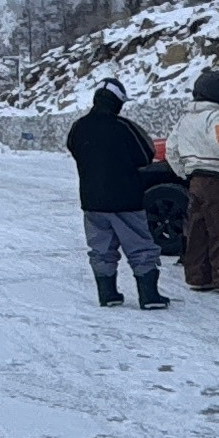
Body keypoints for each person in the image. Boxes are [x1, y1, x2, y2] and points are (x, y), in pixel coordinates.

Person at [63, 79, 167, 308]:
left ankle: (108, 293)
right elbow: (146, 153)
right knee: (140, 246)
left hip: (92, 200)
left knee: (100, 248)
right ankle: (149, 296)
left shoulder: (79, 126)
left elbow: (73, 148)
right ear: (117, 102)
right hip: (126, 199)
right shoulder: (124, 127)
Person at [165, 67, 219, 294]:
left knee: (198, 230)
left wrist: (184, 173)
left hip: (195, 180)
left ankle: (197, 277)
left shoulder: (184, 119)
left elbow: (170, 150)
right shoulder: (217, 117)